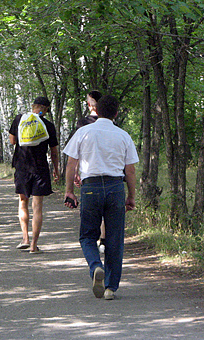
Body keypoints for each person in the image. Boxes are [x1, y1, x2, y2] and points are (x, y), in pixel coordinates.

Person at [63, 95, 138, 300]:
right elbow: (130, 170)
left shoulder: (83, 132)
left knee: (87, 235)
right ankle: (110, 288)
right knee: (114, 239)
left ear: (96, 111)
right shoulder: (123, 135)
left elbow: (71, 164)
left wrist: (69, 190)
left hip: (90, 187)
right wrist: (131, 196)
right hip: (115, 187)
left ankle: (96, 266)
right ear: (116, 113)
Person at [9, 96, 60, 254]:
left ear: (33, 106)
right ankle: (34, 246)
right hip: (40, 169)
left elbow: (12, 141)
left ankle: (25, 238)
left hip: (22, 167)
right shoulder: (48, 125)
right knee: (37, 207)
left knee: (23, 202)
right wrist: (56, 170)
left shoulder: (19, 119)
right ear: (46, 109)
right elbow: (54, 152)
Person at [75, 90, 106, 254]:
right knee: (105, 208)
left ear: (89, 104)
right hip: (108, 170)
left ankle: (92, 240)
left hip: (89, 170)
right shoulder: (110, 123)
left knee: (92, 207)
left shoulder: (84, 123)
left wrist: (76, 170)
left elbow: (79, 150)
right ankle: (104, 239)